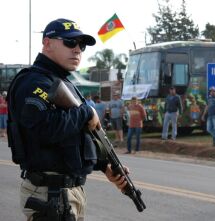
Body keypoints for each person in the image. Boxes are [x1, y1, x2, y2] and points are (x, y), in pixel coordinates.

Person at [7, 18, 128, 220]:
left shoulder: (63, 83)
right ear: (47, 43)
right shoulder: (33, 82)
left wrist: (104, 166)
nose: (77, 49)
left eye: (81, 45)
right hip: (50, 194)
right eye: (70, 42)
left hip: (68, 192)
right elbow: (46, 129)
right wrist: (86, 112)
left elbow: (75, 136)